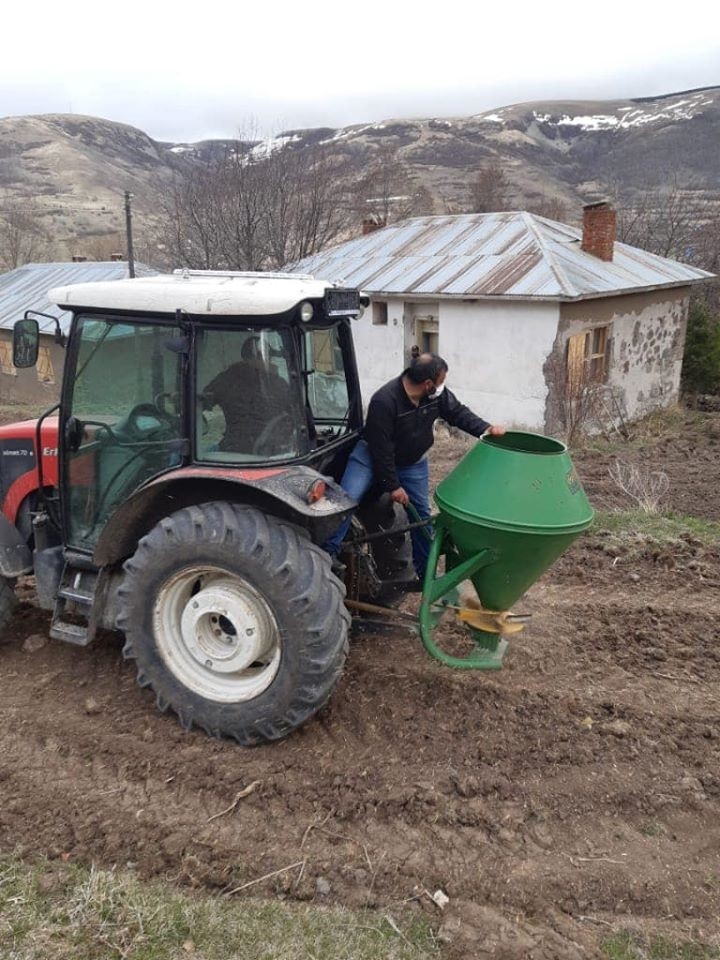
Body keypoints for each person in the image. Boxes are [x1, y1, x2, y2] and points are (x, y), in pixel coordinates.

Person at [324, 353, 505, 578]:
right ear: (427, 383)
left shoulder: (434, 396)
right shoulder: (385, 401)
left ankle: (426, 574)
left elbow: (457, 413)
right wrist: (393, 486)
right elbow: (381, 451)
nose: (442, 387)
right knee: (346, 501)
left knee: (421, 518)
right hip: (370, 458)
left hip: (412, 462)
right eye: (440, 382)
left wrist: (485, 430)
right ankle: (326, 557)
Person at [202, 336, 293, 454]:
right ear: (267, 358)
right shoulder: (279, 384)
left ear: (244, 357)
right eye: (268, 357)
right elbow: (295, 417)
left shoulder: (227, 379)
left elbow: (202, 402)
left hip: (232, 450)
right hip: (270, 453)